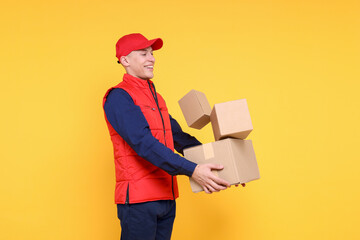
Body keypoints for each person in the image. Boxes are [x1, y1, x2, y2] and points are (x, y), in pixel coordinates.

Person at [102, 33, 231, 240]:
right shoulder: (119, 97)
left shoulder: (156, 97)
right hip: (138, 200)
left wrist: (226, 165)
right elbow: (143, 143)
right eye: (143, 54)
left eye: (151, 54)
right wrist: (192, 170)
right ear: (125, 60)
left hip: (165, 196)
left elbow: (178, 138)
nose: (151, 58)